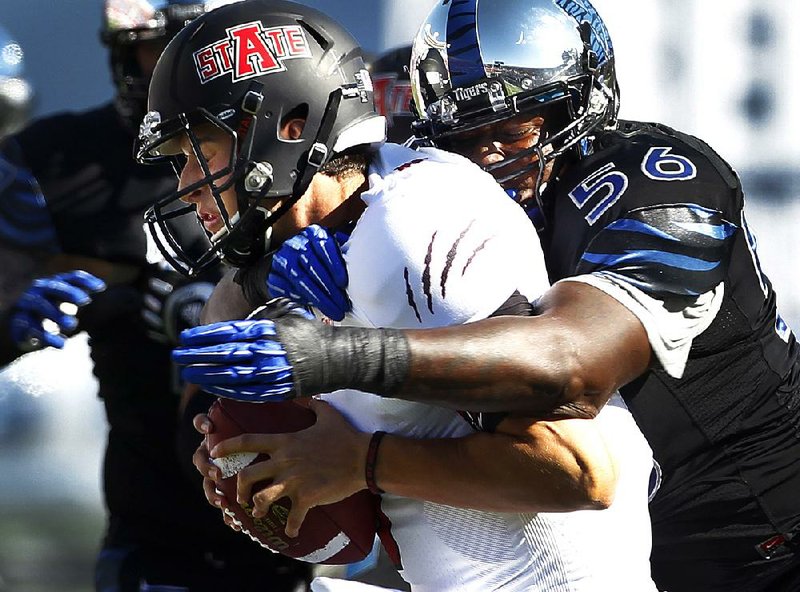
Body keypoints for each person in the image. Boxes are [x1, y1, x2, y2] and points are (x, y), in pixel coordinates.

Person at [170, 1, 800, 591]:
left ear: (580, 108)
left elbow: (572, 365)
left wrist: (335, 357)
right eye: (465, 136)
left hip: (760, 519)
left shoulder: (657, 183)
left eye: (515, 128)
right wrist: (260, 278)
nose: (490, 156)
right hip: (597, 531)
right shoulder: (425, 188)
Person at [0, 1, 311, 590]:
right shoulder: (57, 163)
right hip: (155, 524)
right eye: (159, 49)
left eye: (202, 49)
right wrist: (7, 322)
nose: (180, 71)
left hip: (311, 507)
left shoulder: (307, 146)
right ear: (123, 52)